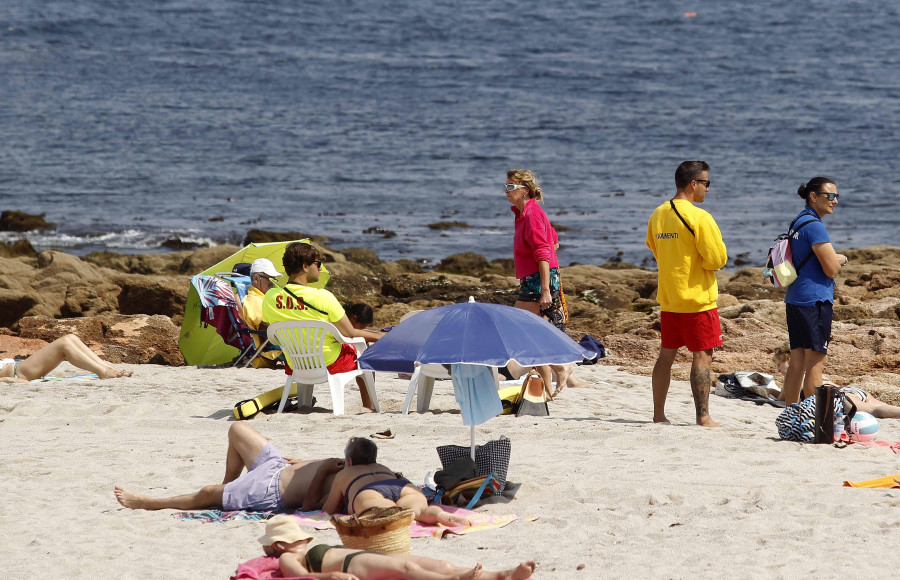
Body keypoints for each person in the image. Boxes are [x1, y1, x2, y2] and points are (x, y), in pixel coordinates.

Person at [645, 161, 728, 427]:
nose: (707, 189)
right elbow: (717, 259)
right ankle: (703, 417)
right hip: (697, 301)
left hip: (670, 299)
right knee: (702, 356)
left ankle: (659, 415)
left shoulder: (659, 213)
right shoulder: (700, 217)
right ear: (694, 184)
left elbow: (654, 247)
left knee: (666, 356)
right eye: (706, 183)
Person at [113, 422, 341, 512]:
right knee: (237, 429)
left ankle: (147, 502)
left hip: (271, 490)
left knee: (207, 493)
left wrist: (321, 470)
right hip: (278, 466)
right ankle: (228, 487)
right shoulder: (358, 466)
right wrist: (307, 464)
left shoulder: (348, 491)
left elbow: (312, 505)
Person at [262, 243, 383, 410]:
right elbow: (350, 333)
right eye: (318, 264)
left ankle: (304, 403)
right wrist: (380, 336)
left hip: (295, 363)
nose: (320, 268)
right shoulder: (323, 297)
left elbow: (273, 327)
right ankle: (369, 407)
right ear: (305, 266)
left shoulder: (270, 296)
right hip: (328, 362)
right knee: (363, 350)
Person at [258, 514, 536, 580]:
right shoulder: (288, 558)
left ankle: (502, 575)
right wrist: (332, 576)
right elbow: (303, 578)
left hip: (363, 556)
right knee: (407, 567)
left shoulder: (299, 551)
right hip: (352, 565)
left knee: (439, 564)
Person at [780, 177, 849, 405]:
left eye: (836, 196)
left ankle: (791, 414)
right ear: (813, 196)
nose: (835, 201)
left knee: (797, 362)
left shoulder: (797, 221)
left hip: (795, 298)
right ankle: (814, 420)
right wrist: (841, 259)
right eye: (830, 196)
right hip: (815, 301)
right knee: (816, 363)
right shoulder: (815, 226)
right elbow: (830, 269)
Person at [505, 169, 571, 396]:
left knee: (520, 328)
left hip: (538, 280)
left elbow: (543, 252)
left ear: (525, 190)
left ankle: (559, 368)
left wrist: (545, 290)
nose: (506, 191)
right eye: (506, 186)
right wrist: (552, 246)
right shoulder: (523, 213)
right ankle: (547, 388)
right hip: (531, 279)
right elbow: (552, 237)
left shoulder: (532, 213)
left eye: (511, 187)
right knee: (533, 332)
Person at [319, 437, 470, 528]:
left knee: (384, 511)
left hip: (368, 491)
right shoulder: (383, 468)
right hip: (401, 487)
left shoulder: (345, 472)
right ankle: (439, 515)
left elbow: (329, 510)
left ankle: (400, 515)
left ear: (349, 461)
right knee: (421, 510)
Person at [771, 345, 899, 417]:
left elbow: (783, 398)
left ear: (789, 359)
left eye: (778, 365)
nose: (778, 370)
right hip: (850, 390)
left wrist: (766, 390)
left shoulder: (798, 377)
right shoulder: (811, 372)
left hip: (841, 396)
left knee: (876, 412)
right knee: (887, 408)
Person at [0, 334, 132, 383]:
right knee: (64, 343)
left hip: (21, 368)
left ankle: (107, 368)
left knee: (71, 338)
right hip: (20, 372)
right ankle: (102, 371)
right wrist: (9, 380)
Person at [242, 258, 284, 368]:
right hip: (273, 350)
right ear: (256, 279)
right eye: (270, 279)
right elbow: (264, 325)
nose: (272, 283)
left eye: (274, 279)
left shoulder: (263, 299)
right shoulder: (254, 300)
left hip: (276, 348)